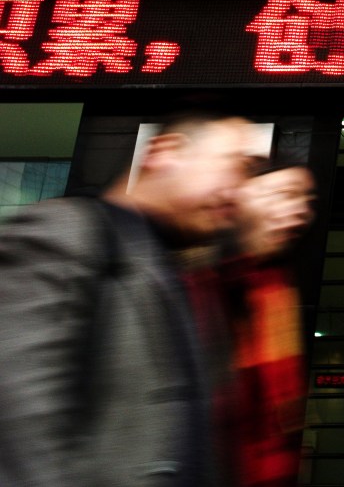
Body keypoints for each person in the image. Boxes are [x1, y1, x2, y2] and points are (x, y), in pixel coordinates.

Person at [0, 111, 257, 487]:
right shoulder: (68, 231)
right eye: (233, 166)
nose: (239, 190)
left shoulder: (175, 271)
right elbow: (17, 420)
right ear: (164, 153)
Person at [222, 163, 318, 487]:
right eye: (285, 194)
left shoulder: (278, 286)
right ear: (240, 196)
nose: (300, 211)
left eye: (307, 200)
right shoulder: (203, 279)